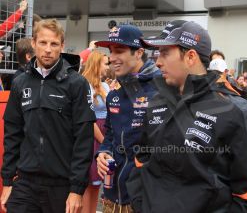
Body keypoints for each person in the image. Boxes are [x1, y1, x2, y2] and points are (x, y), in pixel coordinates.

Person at [127, 20, 247, 213]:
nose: (158, 61)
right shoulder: (157, 103)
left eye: (165, 52)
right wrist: (140, 204)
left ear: (191, 57)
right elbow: (141, 160)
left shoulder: (234, 110)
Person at [0, 19, 95, 213]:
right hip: (25, 184)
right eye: (43, 43)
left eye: (54, 44)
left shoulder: (76, 84)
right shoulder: (20, 82)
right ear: (34, 44)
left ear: (62, 45)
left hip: (61, 186)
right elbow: (12, 135)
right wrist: (8, 181)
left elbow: (83, 140)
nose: (48, 49)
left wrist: (76, 190)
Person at [95, 25, 161, 213]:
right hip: (111, 197)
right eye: (110, 51)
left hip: (145, 200)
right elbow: (109, 134)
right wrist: (103, 152)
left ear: (139, 52)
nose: (112, 58)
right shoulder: (114, 94)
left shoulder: (162, 90)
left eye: (119, 51)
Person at [81, 51, 110, 213]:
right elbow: (88, 119)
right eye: (105, 63)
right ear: (96, 64)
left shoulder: (104, 85)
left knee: (96, 186)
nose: (108, 67)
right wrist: (103, 140)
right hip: (93, 136)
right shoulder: (84, 85)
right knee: (88, 185)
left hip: (105, 133)